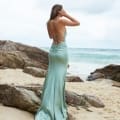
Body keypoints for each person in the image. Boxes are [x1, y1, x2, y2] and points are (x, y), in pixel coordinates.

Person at [35, 4, 80, 120]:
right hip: (61, 50)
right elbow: (77, 22)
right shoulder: (61, 20)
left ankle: (47, 105)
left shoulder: (49, 22)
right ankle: (55, 107)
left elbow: (51, 37)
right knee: (59, 80)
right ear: (59, 11)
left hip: (53, 51)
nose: (64, 11)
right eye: (63, 9)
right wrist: (66, 15)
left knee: (51, 78)